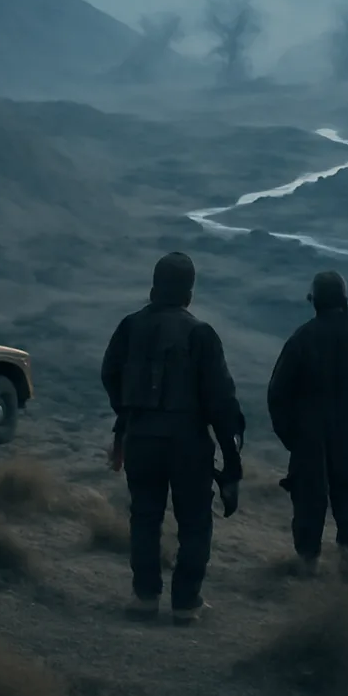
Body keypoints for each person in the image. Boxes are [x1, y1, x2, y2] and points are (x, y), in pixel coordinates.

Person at [101, 252, 245, 624]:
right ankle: (185, 602)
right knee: (195, 521)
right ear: (189, 293)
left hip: (141, 439)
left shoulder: (129, 327)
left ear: (153, 287)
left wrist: (128, 416)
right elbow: (222, 402)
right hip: (188, 442)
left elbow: (109, 375)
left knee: (145, 516)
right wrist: (231, 460)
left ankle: (145, 597)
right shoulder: (201, 334)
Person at [267, 271, 348, 582]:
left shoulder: (302, 338)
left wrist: (292, 437)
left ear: (314, 301)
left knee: (307, 497)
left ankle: (308, 563)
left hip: (309, 434)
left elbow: (277, 393)